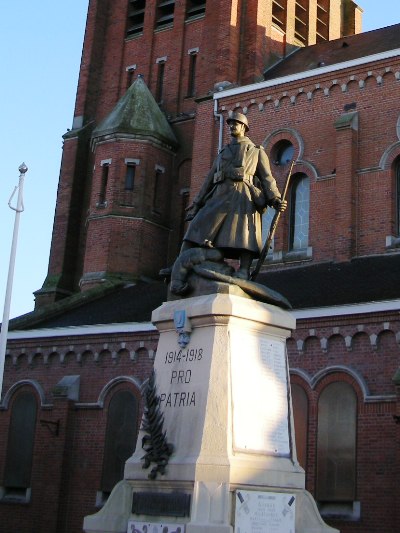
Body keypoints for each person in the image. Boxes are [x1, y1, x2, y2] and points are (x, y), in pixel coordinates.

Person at [180, 112, 287, 280]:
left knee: (244, 234)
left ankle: (244, 270)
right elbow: (209, 179)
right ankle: (179, 267)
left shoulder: (256, 151)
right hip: (220, 194)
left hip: (242, 194)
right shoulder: (223, 152)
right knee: (196, 227)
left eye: (235, 124)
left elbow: (267, 179)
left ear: (244, 127)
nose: (231, 126)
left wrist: (275, 199)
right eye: (230, 124)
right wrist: (197, 202)